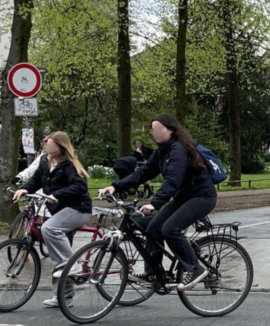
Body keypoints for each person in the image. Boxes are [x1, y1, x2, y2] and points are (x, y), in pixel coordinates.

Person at [99, 114, 217, 291]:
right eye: (152, 129)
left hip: (201, 197)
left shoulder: (178, 150)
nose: (153, 133)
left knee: (170, 228)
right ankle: (152, 273)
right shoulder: (162, 151)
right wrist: (115, 186)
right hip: (183, 197)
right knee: (154, 227)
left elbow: (172, 180)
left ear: (170, 130)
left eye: (157, 129)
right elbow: (143, 173)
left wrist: (155, 203)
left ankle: (195, 268)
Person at [12, 132, 92, 308]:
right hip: (60, 212)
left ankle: (74, 265)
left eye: (50, 145)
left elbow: (80, 187)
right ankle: (63, 297)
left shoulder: (69, 164)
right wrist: (25, 190)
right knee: (58, 254)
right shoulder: (44, 162)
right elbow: (35, 181)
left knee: (49, 230)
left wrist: (56, 195)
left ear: (60, 147)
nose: (47, 147)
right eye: (46, 144)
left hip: (78, 209)